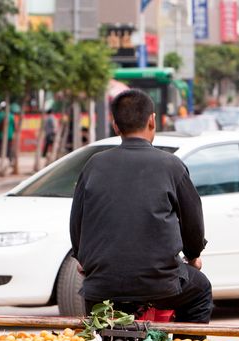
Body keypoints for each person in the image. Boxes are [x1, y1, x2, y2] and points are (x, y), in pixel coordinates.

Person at [69, 89, 211, 325]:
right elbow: (193, 223)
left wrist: (83, 259)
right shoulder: (171, 166)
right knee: (201, 290)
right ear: (152, 120)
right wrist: (193, 255)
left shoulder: (94, 165)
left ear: (115, 126)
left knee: (100, 335)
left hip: (101, 285)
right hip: (160, 283)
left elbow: (77, 223)